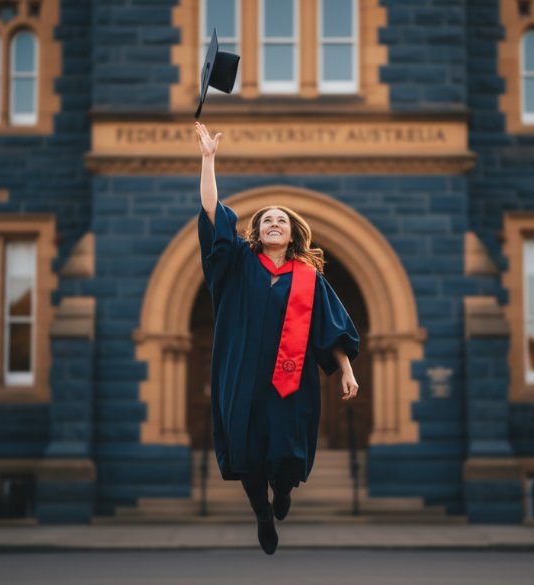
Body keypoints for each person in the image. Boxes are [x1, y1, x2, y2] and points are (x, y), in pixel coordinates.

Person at [194, 121, 360, 555]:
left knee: (287, 455)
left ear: (292, 233)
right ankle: (262, 514)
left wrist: (345, 369)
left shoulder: (309, 278)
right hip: (242, 377)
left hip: (290, 382)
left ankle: (283, 489)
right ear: (257, 231)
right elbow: (213, 215)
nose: (273, 223)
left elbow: (332, 325)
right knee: (247, 454)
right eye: (266, 219)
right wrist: (209, 160)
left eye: (281, 220)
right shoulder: (237, 265)